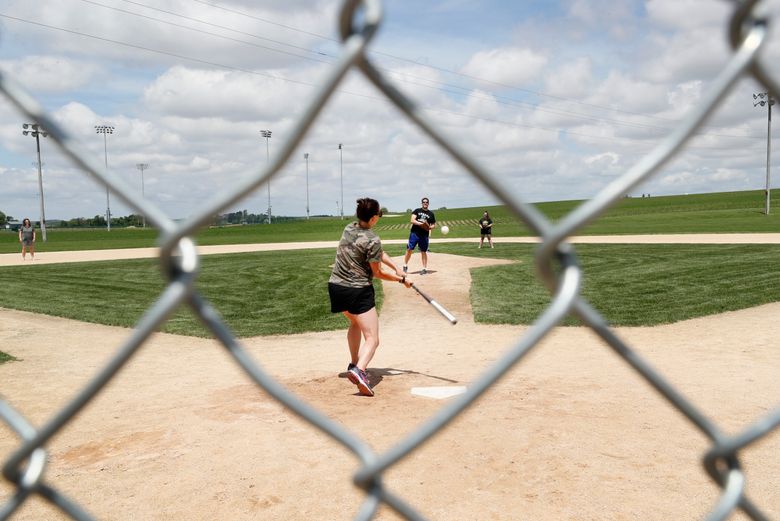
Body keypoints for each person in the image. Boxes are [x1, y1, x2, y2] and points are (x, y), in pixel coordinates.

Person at [328, 197, 412, 396]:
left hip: (336, 288)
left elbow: (378, 253)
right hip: (357, 291)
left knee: (356, 323)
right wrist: (402, 281)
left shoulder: (349, 228)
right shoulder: (372, 239)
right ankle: (360, 370)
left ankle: (354, 364)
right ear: (374, 218)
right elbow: (377, 273)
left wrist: (398, 269)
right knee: (373, 338)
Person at [402, 197, 436, 275]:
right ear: (422, 203)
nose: (425, 203)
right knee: (409, 249)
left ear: (428, 203)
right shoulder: (417, 211)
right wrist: (422, 224)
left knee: (423, 251)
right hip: (415, 233)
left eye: (426, 202)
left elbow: (434, 224)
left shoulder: (431, 214)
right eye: (424, 202)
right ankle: (405, 265)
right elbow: (412, 220)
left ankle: (424, 269)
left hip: (424, 235)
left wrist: (430, 227)